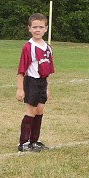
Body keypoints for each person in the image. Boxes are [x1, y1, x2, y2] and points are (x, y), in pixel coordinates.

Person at [16, 13, 54, 152]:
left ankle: (34, 141)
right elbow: (21, 71)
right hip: (31, 82)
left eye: (41, 27)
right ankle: (24, 142)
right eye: (35, 27)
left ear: (46, 29)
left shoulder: (48, 48)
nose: (38, 30)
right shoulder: (28, 47)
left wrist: (47, 87)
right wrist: (20, 89)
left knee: (39, 110)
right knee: (31, 111)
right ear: (29, 28)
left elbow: (47, 70)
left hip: (42, 82)